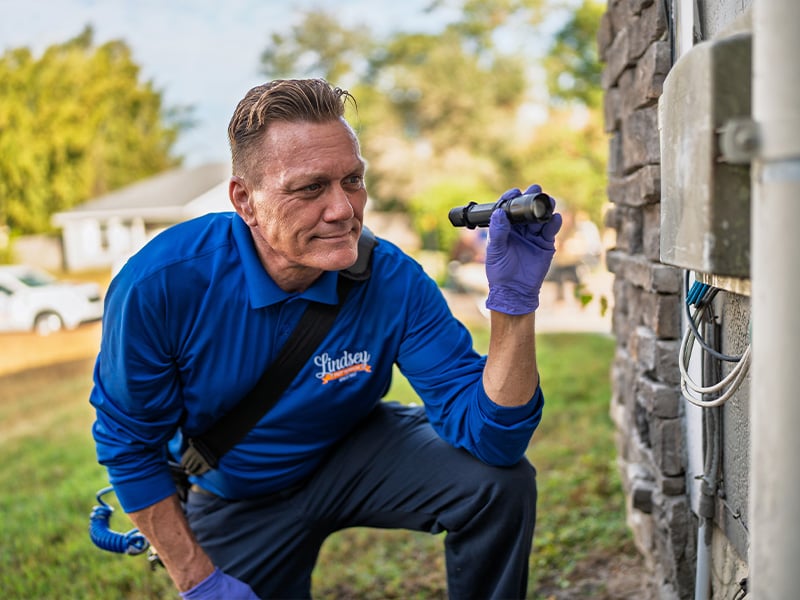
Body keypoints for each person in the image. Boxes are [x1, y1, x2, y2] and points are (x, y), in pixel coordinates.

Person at [90, 78, 562, 600]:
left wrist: (514, 305)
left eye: (352, 180)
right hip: (239, 493)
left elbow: (494, 440)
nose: (343, 210)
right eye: (310, 187)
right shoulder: (163, 283)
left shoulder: (391, 279)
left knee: (497, 484)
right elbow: (130, 446)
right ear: (245, 200)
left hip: (355, 452)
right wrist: (200, 583)